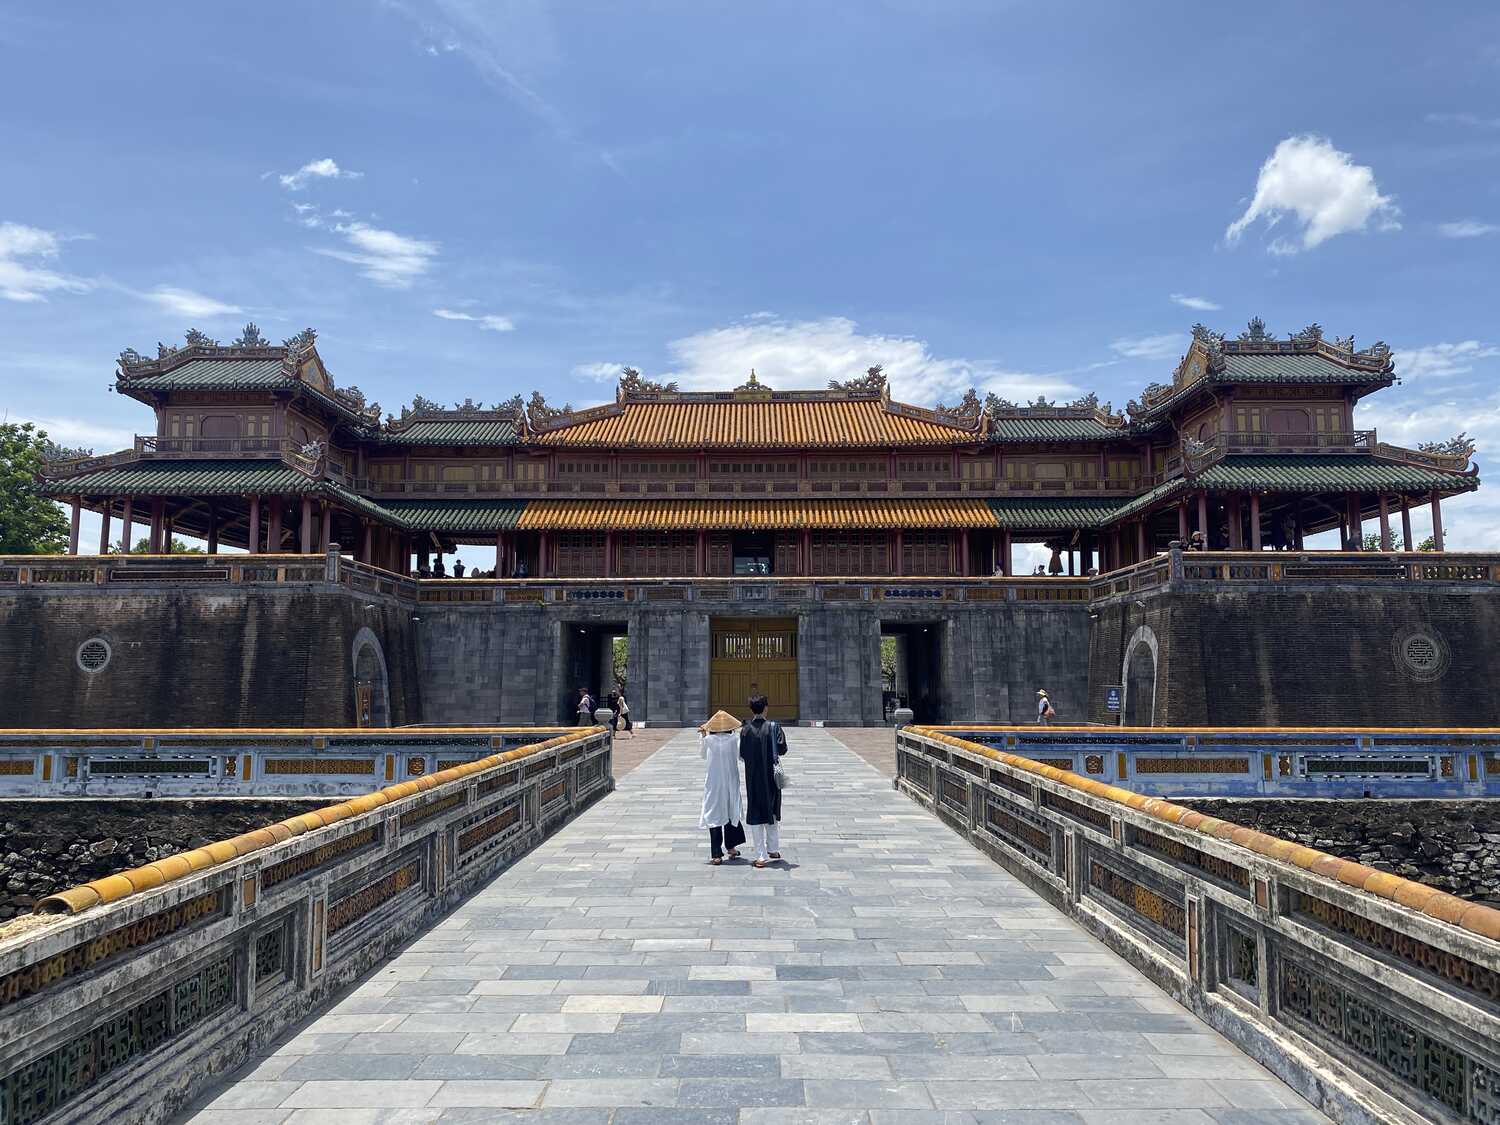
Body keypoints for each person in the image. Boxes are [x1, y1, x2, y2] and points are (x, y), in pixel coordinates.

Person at [739, 693, 788, 868]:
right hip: (771, 777)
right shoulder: (775, 727)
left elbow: (742, 755)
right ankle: (773, 849)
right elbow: (783, 749)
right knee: (772, 810)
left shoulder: (744, 730)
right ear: (766, 708)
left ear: (751, 709)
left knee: (755, 813)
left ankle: (760, 855)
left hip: (753, 777)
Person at [699, 710, 745, 864]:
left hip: (714, 783)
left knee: (715, 813)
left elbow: (702, 755)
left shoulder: (708, 740)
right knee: (731, 810)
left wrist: (703, 735)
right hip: (730, 781)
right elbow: (741, 757)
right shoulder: (734, 739)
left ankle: (716, 854)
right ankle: (731, 847)